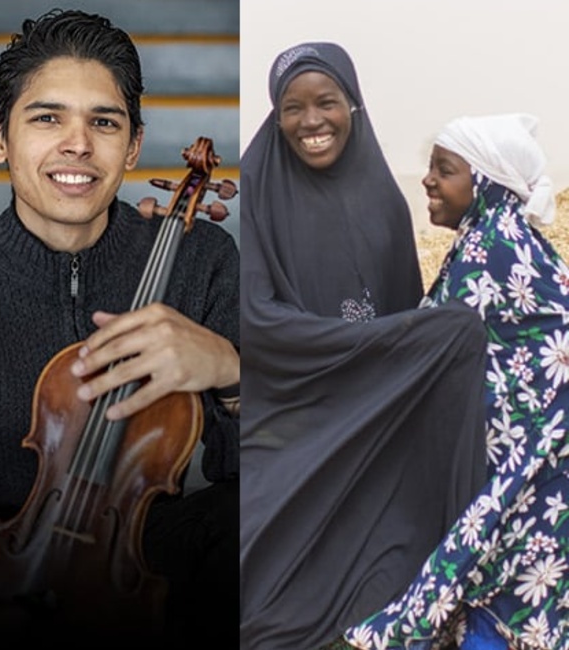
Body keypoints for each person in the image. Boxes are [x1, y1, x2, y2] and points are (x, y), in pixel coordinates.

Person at [0, 9, 238, 647]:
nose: (79, 145)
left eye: (104, 122)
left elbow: (261, 470)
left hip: (145, 562)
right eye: (47, 117)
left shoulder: (200, 258)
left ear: (134, 146)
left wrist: (230, 368)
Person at [236, 43, 490, 650]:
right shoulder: (254, 187)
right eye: (291, 108)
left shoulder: (382, 195)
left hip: (374, 401)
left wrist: (395, 348)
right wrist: (365, 345)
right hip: (292, 397)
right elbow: (257, 321)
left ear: (353, 103)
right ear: (276, 116)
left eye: (327, 102)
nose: (311, 121)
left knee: (456, 338)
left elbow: (405, 315)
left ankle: (451, 583)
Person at [347, 115, 569, 649]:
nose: (427, 180)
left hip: (536, 456)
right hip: (534, 452)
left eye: (444, 170)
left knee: (504, 576)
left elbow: (423, 347)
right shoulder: (497, 235)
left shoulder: (493, 247)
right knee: (507, 579)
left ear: (486, 184)